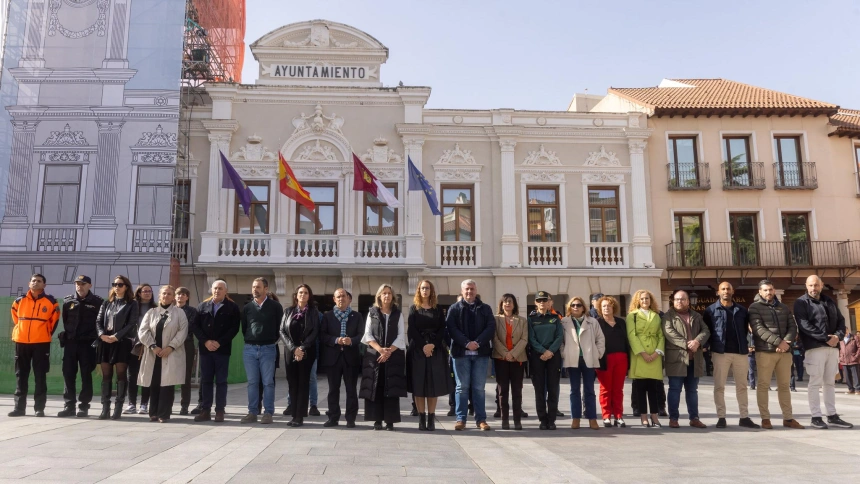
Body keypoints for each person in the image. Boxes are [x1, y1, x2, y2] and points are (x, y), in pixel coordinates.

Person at [795, 275, 853, 429]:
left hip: (832, 348)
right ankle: (815, 417)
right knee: (815, 382)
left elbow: (841, 321)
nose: (814, 288)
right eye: (811, 285)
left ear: (821, 286)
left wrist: (838, 336)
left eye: (816, 285)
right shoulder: (801, 303)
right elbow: (804, 325)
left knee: (830, 383)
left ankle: (832, 416)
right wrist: (825, 338)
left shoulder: (829, 301)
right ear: (806, 286)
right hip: (815, 348)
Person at [748, 279, 805, 430]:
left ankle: (788, 418)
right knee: (763, 385)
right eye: (765, 290)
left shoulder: (783, 307)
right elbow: (758, 329)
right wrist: (778, 342)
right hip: (765, 352)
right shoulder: (754, 308)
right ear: (760, 292)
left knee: (785, 386)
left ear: (774, 290)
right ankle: (765, 418)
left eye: (771, 289)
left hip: (785, 352)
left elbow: (792, 326)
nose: (769, 292)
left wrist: (786, 342)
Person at [702, 282, 759, 429]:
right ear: (718, 292)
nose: (726, 291)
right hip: (720, 353)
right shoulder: (710, 310)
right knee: (719, 386)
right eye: (723, 289)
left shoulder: (742, 310)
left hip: (740, 352)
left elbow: (749, 329)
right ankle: (721, 417)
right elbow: (706, 331)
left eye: (728, 289)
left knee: (742, 386)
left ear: (732, 291)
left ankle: (744, 417)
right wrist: (707, 346)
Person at [8, 274, 60, 418]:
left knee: (40, 376)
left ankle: (39, 408)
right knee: (20, 375)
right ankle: (19, 408)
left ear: (44, 285)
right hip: (22, 341)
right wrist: (22, 331)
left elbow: (54, 321)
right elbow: (15, 318)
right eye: (33, 280)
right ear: (29, 283)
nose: (35, 283)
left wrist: (43, 332)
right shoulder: (19, 300)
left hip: (41, 343)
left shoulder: (51, 302)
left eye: (39, 281)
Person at [446, 280, 495, 431]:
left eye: (472, 289)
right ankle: (461, 419)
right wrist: (467, 343)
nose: (469, 291)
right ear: (462, 291)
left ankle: (481, 420)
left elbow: (490, 327)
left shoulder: (485, 308)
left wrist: (478, 342)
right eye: (467, 289)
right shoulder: (454, 308)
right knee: (461, 388)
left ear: (476, 290)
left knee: (479, 388)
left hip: (480, 354)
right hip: (461, 354)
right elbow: (451, 328)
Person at [191, 279, 240, 423]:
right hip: (206, 350)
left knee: (221, 381)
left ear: (225, 291)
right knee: (205, 380)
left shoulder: (232, 307)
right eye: (215, 288)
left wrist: (219, 342)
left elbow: (234, 328)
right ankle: (205, 410)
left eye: (220, 288)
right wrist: (206, 341)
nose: (217, 291)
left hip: (222, 350)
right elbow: (195, 326)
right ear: (211, 290)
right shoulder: (202, 306)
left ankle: (220, 410)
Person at [359, 284, 407, 430]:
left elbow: (401, 336)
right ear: (379, 296)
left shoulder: (398, 314)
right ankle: (377, 420)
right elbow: (367, 334)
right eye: (384, 293)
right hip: (375, 356)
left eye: (389, 293)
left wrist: (388, 351)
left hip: (393, 356)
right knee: (376, 387)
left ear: (392, 296)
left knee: (391, 387)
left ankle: (390, 420)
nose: (386, 296)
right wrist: (380, 350)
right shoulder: (372, 313)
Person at [137, 285, 188, 423]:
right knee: (154, 383)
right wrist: (153, 346)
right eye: (164, 293)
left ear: (173, 297)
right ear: (160, 295)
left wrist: (171, 347)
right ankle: (153, 412)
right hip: (154, 353)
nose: (166, 296)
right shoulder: (151, 312)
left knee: (167, 384)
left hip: (170, 353)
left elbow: (182, 332)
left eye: (169, 294)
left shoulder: (179, 313)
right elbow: (143, 331)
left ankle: (164, 414)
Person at [407, 280, 450, 431]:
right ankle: (421, 418)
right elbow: (411, 330)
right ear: (419, 290)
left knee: (433, 385)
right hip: (418, 351)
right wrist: (423, 345)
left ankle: (431, 418)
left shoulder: (438, 309)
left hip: (435, 350)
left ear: (432, 291)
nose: (425, 290)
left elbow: (442, 329)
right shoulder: (414, 308)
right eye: (422, 288)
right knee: (419, 385)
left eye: (428, 288)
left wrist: (432, 345)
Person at [94, 275, 139, 420]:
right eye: (115, 284)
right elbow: (98, 321)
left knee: (121, 374)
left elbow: (132, 323)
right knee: (106, 375)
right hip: (105, 341)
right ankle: (105, 408)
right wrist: (101, 335)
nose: (117, 287)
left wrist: (117, 336)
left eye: (120, 284)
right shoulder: (107, 303)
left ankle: (118, 408)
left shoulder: (132, 303)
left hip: (122, 342)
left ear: (126, 287)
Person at [58, 275, 103, 418]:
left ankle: (84, 406)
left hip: (87, 344)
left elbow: (99, 322)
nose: (80, 286)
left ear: (89, 285)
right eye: (77, 283)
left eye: (83, 284)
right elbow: (65, 320)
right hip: (71, 342)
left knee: (86, 375)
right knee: (68, 374)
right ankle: (69, 405)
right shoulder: (68, 301)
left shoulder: (97, 302)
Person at [663, 290, 709, 429]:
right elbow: (670, 334)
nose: (679, 302)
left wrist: (697, 342)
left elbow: (706, 330)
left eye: (683, 299)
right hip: (677, 359)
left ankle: (694, 418)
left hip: (694, 359)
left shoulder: (696, 315)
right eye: (677, 299)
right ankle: (673, 418)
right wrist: (687, 344)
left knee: (692, 390)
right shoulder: (668, 316)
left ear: (688, 301)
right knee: (675, 389)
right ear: (673, 301)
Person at [240, 277, 283, 424]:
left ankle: (268, 413)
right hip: (250, 349)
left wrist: (270, 341)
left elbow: (280, 328)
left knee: (268, 382)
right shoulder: (247, 308)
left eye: (258, 287)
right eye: (253, 287)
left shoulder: (275, 307)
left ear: (266, 289)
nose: (254, 290)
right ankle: (252, 412)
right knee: (252, 382)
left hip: (268, 349)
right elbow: (244, 327)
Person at [561, 296, 605, 430]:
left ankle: (592, 418)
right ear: (569, 307)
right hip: (573, 359)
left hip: (588, 359)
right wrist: (564, 353)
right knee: (574, 390)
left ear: (583, 307)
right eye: (573, 305)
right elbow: (561, 342)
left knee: (589, 390)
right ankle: (576, 418)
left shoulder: (592, 321)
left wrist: (597, 354)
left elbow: (600, 339)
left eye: (578, 305)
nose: (576, 307)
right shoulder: (564, 322)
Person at [320, 289, 362, 428]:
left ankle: (351, 418)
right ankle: (333, 417)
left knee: (351, 389)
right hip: (333, 358)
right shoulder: (328, 316)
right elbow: (323, 336)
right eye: (338, 296)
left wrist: (352, 341)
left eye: (343, 296)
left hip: (351, 358)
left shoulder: (357, 316)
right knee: (333, 389)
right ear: (334, 299)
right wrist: (336, 340)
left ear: (349, 299)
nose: (341, 299)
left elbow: (361, 335)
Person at [280, 284, 321, 427]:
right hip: (290, 352)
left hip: (307, 352)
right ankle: (293, 414)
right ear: (296, 295)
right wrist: (293, 349)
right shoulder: (288, 311)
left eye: (305, 293)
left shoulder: (313, 312)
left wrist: (302, 348)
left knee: (303, 383)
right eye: (300, 292)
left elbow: (315, 332)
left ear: (309, 296)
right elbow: (282, 331)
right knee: (292, 383)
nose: (303, 295)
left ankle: (300, 416)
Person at [627, 289, 665, 427]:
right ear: (637, 301)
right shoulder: (633, 316)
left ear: (651, 300)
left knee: (654, 387)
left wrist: (657, 352)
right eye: (642, 299)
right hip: (639, 355)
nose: (644, 301)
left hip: (654, 354)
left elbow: (661, 335)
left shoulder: (656, 316)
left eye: (647, 298)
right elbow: (632, 335)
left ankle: (654, 415)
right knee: (641, 388)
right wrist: (642, 353)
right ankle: (643, 416)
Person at [527, 291, 563, 431]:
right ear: (536, 303)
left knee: (553, 389)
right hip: (538, 356)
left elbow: (559, 336)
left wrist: (550, 351)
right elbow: (531, 338)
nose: (542, 303)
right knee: (539, 390)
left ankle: (552, 419)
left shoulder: (555, 318)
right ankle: (543, 419)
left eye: (544, 300)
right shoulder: (531, 319)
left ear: (549, 303)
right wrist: (543, 351)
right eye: (539, 301)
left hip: (553, 356)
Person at [493, 294, 527, 430]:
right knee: (503, 391)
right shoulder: (496, 320)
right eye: (505, 302)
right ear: (501, 304)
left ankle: (517, 420)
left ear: (514, 305)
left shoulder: (522, 320)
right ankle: (505, 419)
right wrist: (505, 353)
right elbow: (494, 338)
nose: (507, 304)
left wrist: (513, 353)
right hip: (501, 359)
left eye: (510, 302)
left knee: (517, 391)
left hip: (518, 359)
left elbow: (524, 339)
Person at [594, 296, 629, 427]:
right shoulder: (597, 322)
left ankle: (619, 416)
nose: (606, 308)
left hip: (621, 357)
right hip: (604, 358)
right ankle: (606, 416)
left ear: (613, 307)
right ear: (600, 308)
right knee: (605, 388)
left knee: (618, 389)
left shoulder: (621, 322)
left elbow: (626, 341)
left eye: (609, 305)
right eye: (603, 306)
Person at [125, 284, 156, 415]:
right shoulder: (132, 306)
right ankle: (131, 403)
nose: (147, 293)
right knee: (132, 375)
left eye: (149, 291)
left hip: (149, 345)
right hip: (133, 344)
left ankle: (144, 404)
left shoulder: (155, 308)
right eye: (144, 291)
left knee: (146, 374)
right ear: (139, 293)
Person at [175, 287, 198, 415]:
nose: (180, 297)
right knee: (168, 375)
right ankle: (167, 403)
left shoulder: (192, 311)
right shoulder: (170, 310)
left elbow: (190, 327)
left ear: (187, 297)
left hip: (186, 343)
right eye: (178, 294)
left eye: (183, 294)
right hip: (169, 345)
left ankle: (184, 405)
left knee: (186, 376)